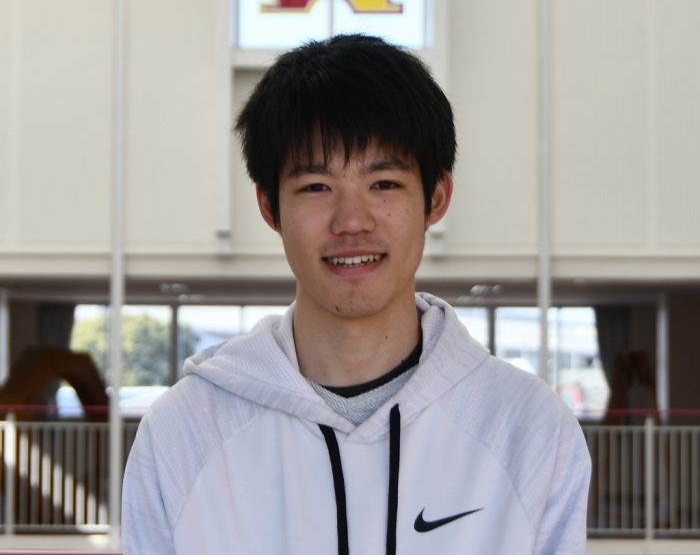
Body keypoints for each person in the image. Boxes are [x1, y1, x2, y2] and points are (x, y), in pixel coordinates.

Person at [122, 34, 591, 554]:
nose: (352, 221)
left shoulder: (529, 429)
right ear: (269, 206)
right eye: (316, 187)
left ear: (436, 197)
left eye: (384, 183)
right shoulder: (184, 432)